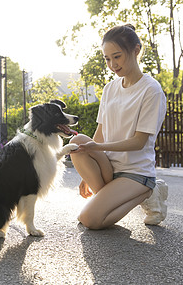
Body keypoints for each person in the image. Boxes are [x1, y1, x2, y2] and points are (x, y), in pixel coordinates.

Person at [70, 24, 167, 230]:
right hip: (109, 167)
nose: (112, 64)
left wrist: (95, 148)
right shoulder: (110, 89)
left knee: (89, 220)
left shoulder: (151, 90)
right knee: (76, 143)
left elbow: (139, 142)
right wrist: (86, 174)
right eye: (107, 59)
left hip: (135, 171)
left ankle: (150, 191)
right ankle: (107, 198)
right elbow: (100, 134)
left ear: (136, 50)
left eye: (117, 56)